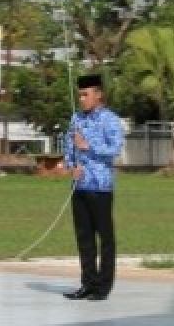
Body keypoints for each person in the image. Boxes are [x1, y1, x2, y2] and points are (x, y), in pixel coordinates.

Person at [62, 73, 124, 303]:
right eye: (79, 95)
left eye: (86, 94)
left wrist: (88, 146)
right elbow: (69, 146)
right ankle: (87, 283)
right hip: (80, 186)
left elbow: (115, 148)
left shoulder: (110, 119)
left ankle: (103, 286)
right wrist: (71, 166)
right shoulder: (76, 119)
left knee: (105, 238)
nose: (81, 99)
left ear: (99, 95)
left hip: (100, 187)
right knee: (84, 238)